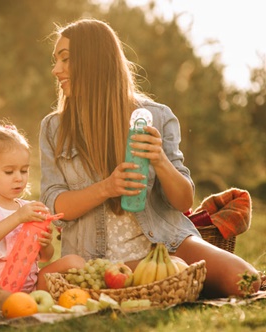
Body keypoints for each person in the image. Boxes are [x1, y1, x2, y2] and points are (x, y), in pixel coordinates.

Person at [39, 18, 262, 298]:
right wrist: (107, 188)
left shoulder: (157, 116)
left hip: (165, 245)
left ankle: (163, 282)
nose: (55, 70)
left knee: (244, 280)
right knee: (170, 276)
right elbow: (54, 206)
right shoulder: (54, 128)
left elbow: (183, 201)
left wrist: (159, 160)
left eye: (65, 59)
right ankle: (171, 282)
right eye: (56, 60)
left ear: (92, 61)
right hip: (94, 258)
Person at [0, 121, 84, 310]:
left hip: (32, 285)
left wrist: (45, 243)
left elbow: (44, 258)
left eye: (24, 170)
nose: (19, 177)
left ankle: (31, 302)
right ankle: (17, 304)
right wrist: (17, 218)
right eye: (9, 172)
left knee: (74, 261)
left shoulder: (27, 208)